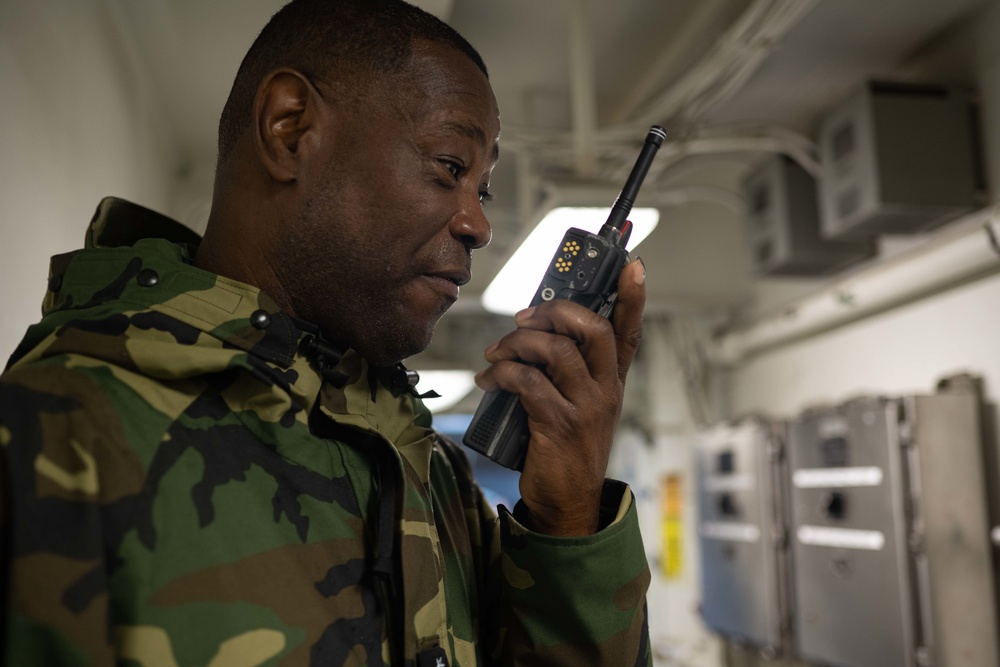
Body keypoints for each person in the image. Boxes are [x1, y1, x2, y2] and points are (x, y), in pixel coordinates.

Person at [0, 1, 651, 665]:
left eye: (482, 191)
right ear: (289, 130)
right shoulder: (58, 434)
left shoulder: (434, 478)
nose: (478, 225)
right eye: (451, 166)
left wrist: (569, 520)